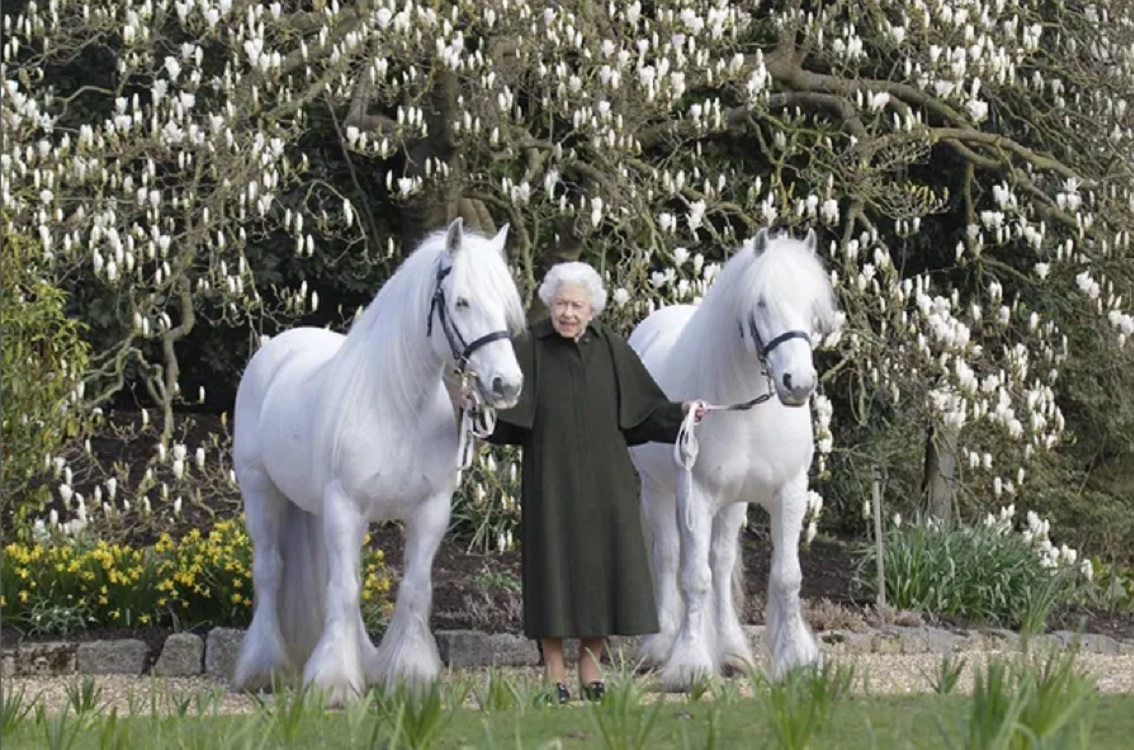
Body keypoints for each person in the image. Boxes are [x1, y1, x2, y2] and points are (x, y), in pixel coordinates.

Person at [470, 261, 707, 704]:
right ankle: (554, 673)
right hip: (550, 482)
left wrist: (683, 413)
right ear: (549, 303)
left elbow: (644, 412)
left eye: (576, 305)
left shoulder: (613, 349)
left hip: (608, 482)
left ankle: (591, 666)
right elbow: (506, 420)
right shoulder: (530, 348)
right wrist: (477, 410)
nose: (567, 313)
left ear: (592, 308)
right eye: (560, 303)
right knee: (552, 574)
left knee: (603, 573)